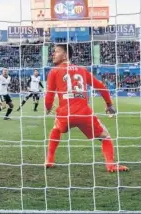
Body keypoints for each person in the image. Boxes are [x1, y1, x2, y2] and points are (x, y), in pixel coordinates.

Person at [45, 44, 129, 173]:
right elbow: (101, 86)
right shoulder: (82, 70)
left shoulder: (54, 71)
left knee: (56, 128)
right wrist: (109, 105)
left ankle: (49, 160)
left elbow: (49, 94)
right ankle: (110, 165)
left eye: (56, 52)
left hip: (65, 114)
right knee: (105, 137)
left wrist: (48, 107)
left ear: (66, 55)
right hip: (84, 113)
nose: (53, 54)